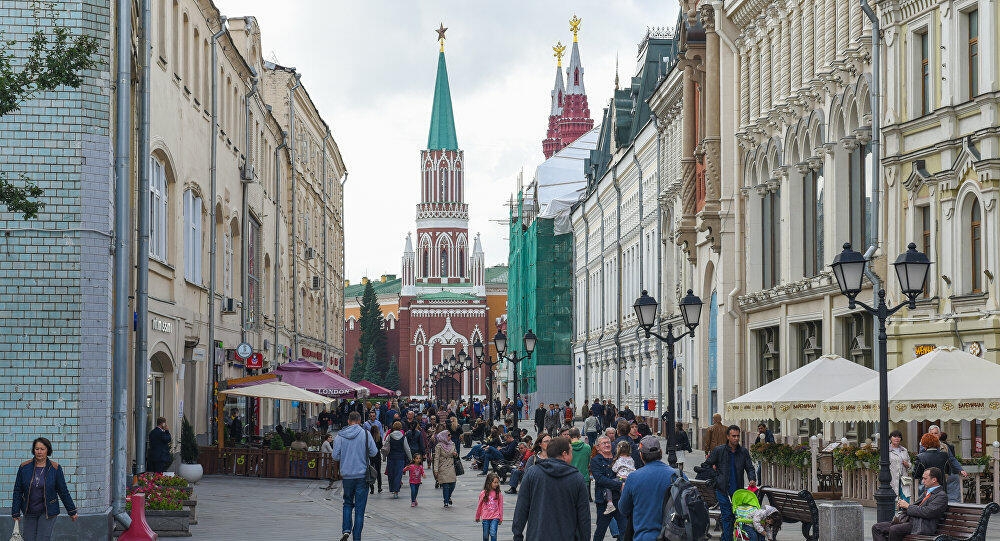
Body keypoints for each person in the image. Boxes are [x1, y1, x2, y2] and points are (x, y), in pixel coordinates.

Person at [512, 436, 591, 541]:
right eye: (571, 452)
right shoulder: (577, 478)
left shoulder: (533, 473)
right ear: (564, 454)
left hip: (537, 535)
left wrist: (517, 535)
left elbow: (521, 508)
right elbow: (584, 516)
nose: (572, 456)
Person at [11, 437, 78, 541]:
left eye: (42, 449)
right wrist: (15, 511)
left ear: (48, 450)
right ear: (33, 450)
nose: (39, 452)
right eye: (37, 449)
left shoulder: (55, 468)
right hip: (29, 511)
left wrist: (72, 511)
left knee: (42, 538)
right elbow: (17, 490)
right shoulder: (24, 467)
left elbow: (63, 491)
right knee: (28, 538)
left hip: (47, 512)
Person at [618, 435, 680, 541]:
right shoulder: (677, 475)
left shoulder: (634, 477)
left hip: (645, 536)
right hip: (674, 535)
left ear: (641, 455)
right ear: (660, 452)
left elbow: (623, 509)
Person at [703, 425, 757, 541]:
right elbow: (706, 465)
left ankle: (725, 538)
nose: (736, 438)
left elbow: (750, 467)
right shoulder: (719, 450)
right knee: (727, 516)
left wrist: (752, 478)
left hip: (737, 491)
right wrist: (716, 478)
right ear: (728, 437)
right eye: (733, 436)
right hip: (723, 490)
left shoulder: (743, 452)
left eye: (738, 436)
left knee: (734, 518)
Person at [330, 411, 378, 541]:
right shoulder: (366, 434)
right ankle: (357, 538)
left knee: (347, 503)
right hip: (362, 475)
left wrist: (346, 455)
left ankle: (346, 530)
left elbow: (335, 456)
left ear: (348, 421)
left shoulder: (340, 436)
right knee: (360, 508)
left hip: (347, 476)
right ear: (359, 420)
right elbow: (374, 452)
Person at [872, 467, 948, 541]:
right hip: (910, 521)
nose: (922, 481)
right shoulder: (927, 491)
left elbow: (928, 512)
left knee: (894, 530)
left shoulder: (941, 495)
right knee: (877, 527)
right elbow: (915, 507)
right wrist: (903, 506)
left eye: (925, 478)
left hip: (922, 525)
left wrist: (908, 506)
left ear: (934, 480)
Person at [913, 433, 964, 502]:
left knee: (927, 506)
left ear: (924, 444)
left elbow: (916, 475)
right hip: (941, 487)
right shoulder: (944, 455)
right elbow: (948, 471)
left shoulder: (920, 457)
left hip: (927, 488)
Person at [591, 435, 622, 541]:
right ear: (598, 447)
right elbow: (600, 479)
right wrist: (618, 485)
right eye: (604, 443)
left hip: (619, 499)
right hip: (603, 502)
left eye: (608, 442)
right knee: (600, 530)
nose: (607, 445)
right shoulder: (595, 461)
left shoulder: (617, 458)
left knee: (625, 529)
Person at [382, 421, 411, 499]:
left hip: (391, 457)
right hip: (400, 458)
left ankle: (392, 488)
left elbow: (385, 447)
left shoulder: (389, 436)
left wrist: (384, 457)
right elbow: (407, 449)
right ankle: (396, 491)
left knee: (391, 474)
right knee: (398, 474)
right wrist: (410, 458)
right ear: (400, 427)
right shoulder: (403, 437)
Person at [475, 472, 504, 541]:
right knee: (485, 536)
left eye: (497, 482)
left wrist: (501, 518)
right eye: (495, 482)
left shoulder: (498, 494)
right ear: (489, 482)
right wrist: (477, 516)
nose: (497, 484)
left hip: (495, 517)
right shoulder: (483, 493)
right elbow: (479, 505)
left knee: (493, 533)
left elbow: (501, 506)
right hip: (485, 517)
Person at [432, 430, 458, 507]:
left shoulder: (452, 444)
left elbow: (456, 454)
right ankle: (446, 501)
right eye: (448, 435)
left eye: (450, 435)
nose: (450, 436)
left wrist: (455, 454)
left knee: (453, 484)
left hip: (451, 466)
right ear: (444, 437)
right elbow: (436, 458)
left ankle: (448, 496)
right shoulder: (439, 446)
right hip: (442, 466)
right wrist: (435, 470)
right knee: (445, 485)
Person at [888, 430, 912, 503]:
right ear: (890, 438)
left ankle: (904, 513)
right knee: (893, 498)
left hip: (904, 478)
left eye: (899, 437)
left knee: (905, 497)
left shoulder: (904, 450)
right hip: (892, 478)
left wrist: (907, 464)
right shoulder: (887, 450)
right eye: (894, 436)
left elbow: (910, 464)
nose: (897, 438)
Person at [568, 428, 592, 498]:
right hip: (584, 478)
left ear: (569, 436)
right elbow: (588, 463)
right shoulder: (587, 447)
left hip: (570, 479)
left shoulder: (567, 448)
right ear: (579, 436)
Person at [367, 425, 383, 494]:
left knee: (371, 471)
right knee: (378, 472)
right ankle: (379, 487)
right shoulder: (379, 438)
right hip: (377, 456)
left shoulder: (369, 438)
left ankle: (372, 488)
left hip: (370, 456)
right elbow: (381, 446)